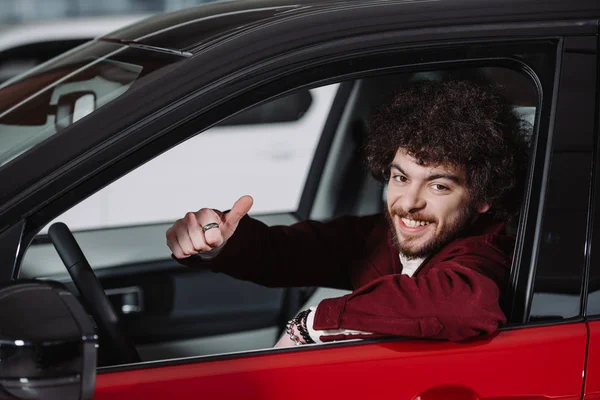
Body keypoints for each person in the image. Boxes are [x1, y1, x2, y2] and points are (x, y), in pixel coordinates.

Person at [166, 79, 529, 347]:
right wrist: (222, 243)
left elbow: (464, 303)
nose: (409, 202)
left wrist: (316, 323)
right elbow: (292, 251)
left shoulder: (487, 250)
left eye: (438, 186)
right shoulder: (383, 235)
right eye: (400, 177)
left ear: (483, 197)